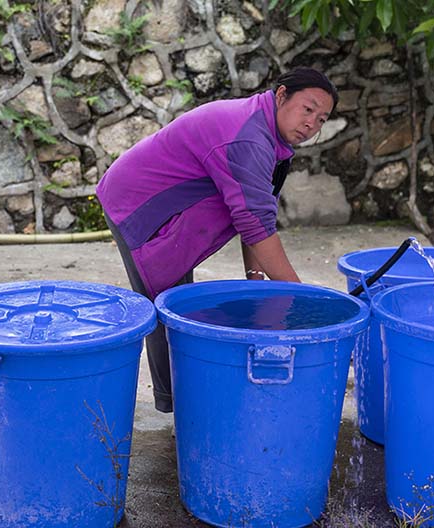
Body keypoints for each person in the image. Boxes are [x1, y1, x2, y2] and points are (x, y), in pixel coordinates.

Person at [96, 66, 338, 413]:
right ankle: (179, 408)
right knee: (166, 309)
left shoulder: (268, 134)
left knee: (176, 302)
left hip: (168, 209)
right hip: (136, 203)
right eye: (308, 109)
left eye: (322, 119)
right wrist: (304, 301)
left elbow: (255, 216)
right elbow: (256, 225)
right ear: (282, 95)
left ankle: (185, 401)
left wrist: (256, 281)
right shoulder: (249, 139)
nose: (312, 124)